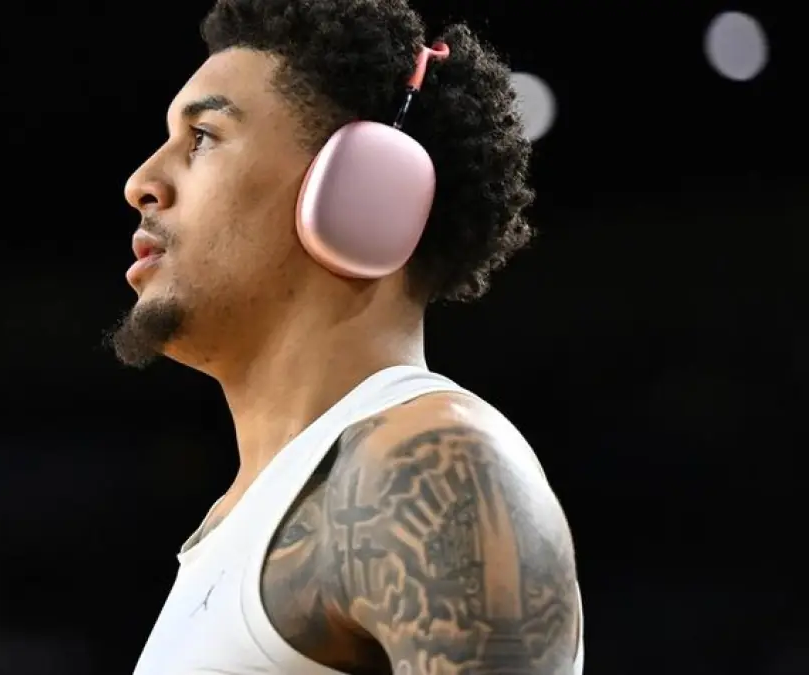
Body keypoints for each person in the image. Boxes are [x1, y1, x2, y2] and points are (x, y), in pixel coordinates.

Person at [108, 0, 583, 673]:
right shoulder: (240, 519)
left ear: (362, 186)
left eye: (203, 137)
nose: (141, 183)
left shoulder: (428, 461)